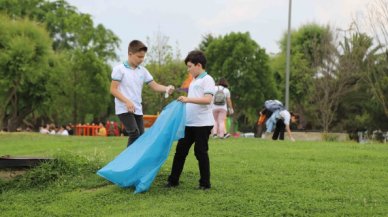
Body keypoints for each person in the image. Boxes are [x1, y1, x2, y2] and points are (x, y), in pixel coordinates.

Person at [166, 50, 215, 190]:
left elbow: (207, 100)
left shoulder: (207, 79)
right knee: (180, 151)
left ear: (198, 65)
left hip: (202, 124)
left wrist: (187, 99)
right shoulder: (194, 80)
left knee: (200, 152)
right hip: (189, 123)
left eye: (189, 66)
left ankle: (205, 184)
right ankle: (173, 181)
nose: (188, 69)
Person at [110, 40, 175, 147]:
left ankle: (135, 161)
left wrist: (166, 88)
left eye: (143, 57)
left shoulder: (143, 71)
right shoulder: (119, 69)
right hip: (124, 108)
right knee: (134, 133)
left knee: (141, 136)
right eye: (139, 57)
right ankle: (127, 161)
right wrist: (127, 101)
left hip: (137, 109)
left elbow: (155, 86)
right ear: (130, 54)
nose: (142, 59)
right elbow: (113, 89)